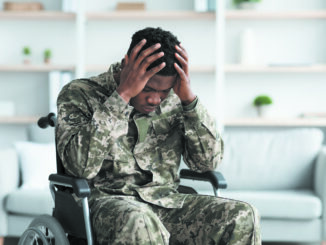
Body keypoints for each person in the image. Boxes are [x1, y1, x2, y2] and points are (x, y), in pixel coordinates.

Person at [56, 27, 261, 245]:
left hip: (165, 202)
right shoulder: (79, 93)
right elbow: (80, 167)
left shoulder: (175, 100)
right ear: (127, 66)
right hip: (107, 204)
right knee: (140, 221)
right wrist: (122, 96)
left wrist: (189, 101)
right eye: (148, 88)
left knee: (243, 215)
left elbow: (207, 162)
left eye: (164, 91)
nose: (155, 99)